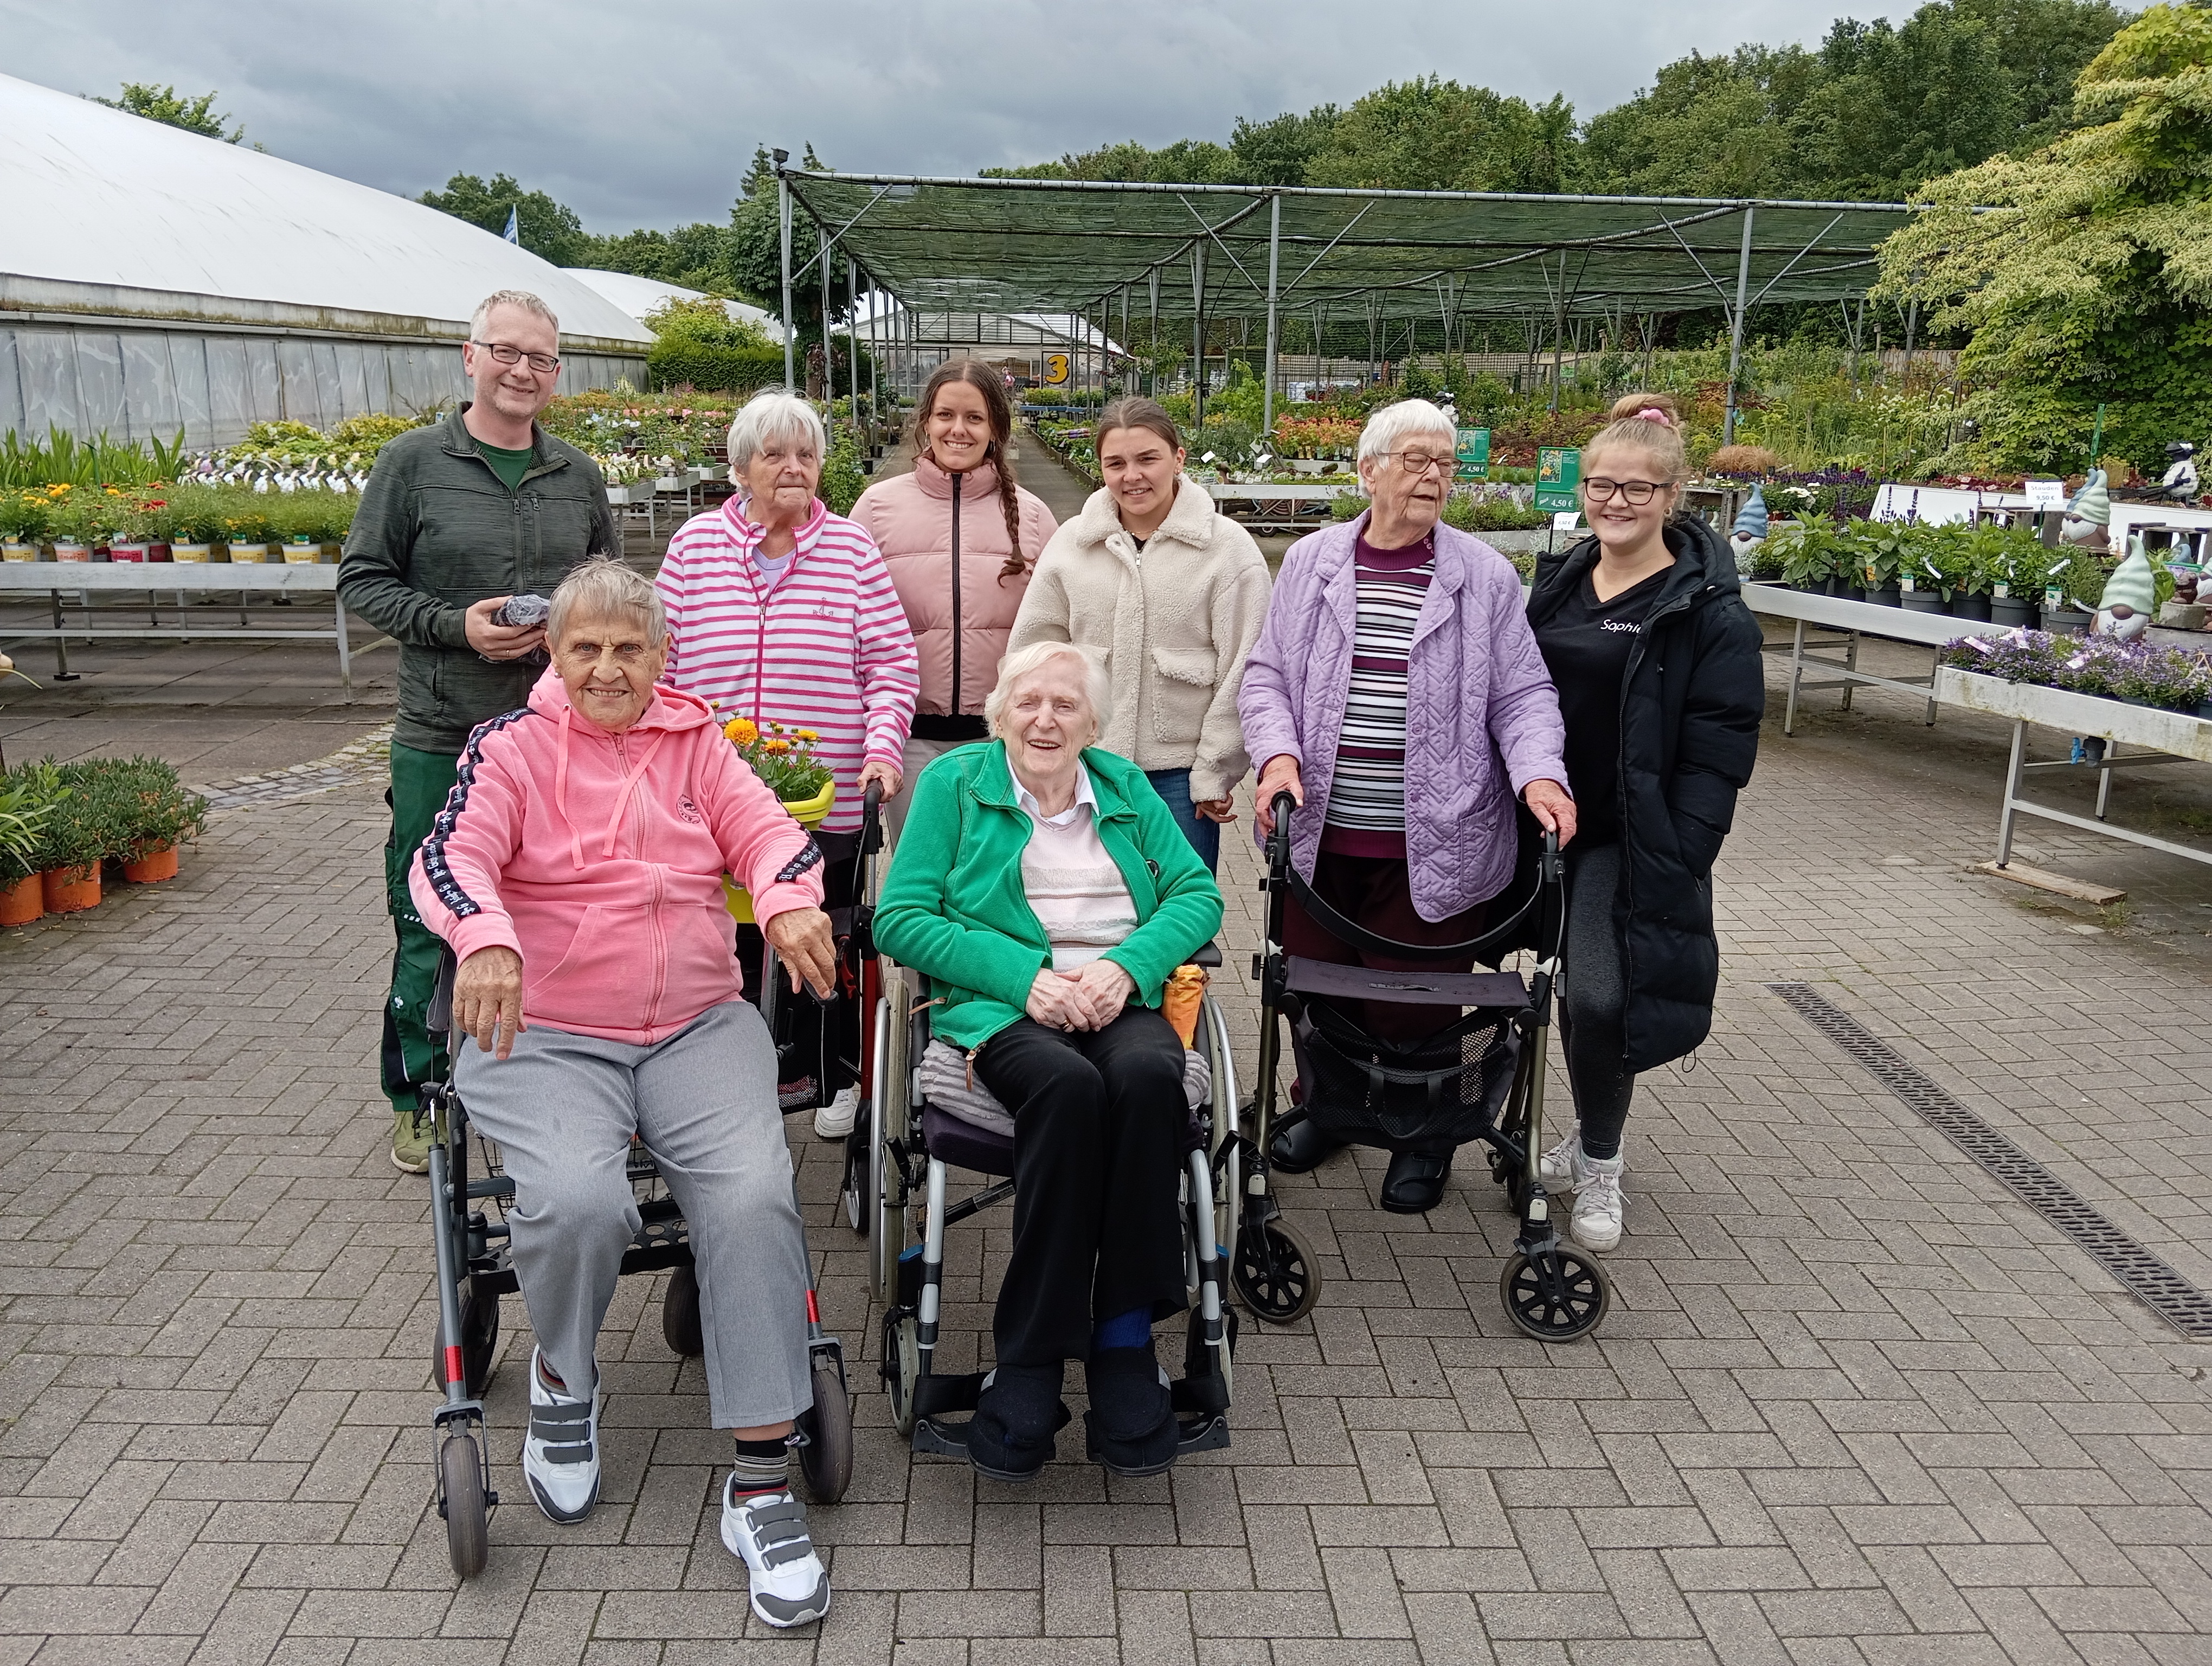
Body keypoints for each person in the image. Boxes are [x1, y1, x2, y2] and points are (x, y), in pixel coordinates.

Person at [408, 560, 836, 1628]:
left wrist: (785, 902)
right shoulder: (505, 750)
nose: (607, 667)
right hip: (544, 1030)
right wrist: (489, 939)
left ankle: (760, 1485)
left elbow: (774, 836)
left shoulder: (700, 746)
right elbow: (446, 857)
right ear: (554, 656)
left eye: (628, 648)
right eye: (585, 647)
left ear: (661, 657)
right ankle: (563, 1377)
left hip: (694, 1022)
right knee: (579, 1199)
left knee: (748, 1198)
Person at [875, 641, 1223, 1483]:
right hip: (1006, 1008)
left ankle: (1122, 1345)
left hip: (1119, 1000)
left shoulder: (1126, 788)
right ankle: (1029, 1360)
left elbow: (1199, 895)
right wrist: (1025, 981)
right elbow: (900, 919)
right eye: (1029, 702)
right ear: (1001, 712)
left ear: (1093, 723)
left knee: (1148, 1081)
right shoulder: (956, 786)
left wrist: (1125, 968)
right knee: (1066, 1090)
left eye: (1066, 705)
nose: (1046, 719)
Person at [1238, 396, 1575, 1215]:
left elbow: (1523, 694)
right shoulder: (1313, 562)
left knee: (1420, 997)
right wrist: (1277, 757)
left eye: (1445, 464)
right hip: (1319, 833)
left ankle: (1423, 1137)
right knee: (1321, 993)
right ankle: (1329, 1110)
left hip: (1439, 834)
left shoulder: (1484, 575)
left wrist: (1540, 775)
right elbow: (1267, 677)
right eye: (1416, 460)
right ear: (1369, 471)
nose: (1434, 476)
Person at [340, 289, 616, 1175]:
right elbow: (363, 580)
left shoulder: (575, 474)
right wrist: (457, 626)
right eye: (507, 352)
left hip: (553, 736)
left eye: (540, 359)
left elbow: (605, 583)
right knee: (428, 915)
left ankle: (539, 1078)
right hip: (443, 731)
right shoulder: (414, 465)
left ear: (556, 373)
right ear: (471, 357)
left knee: (554, 908)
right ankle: (418, 1096)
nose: (523, 371)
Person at [1526, 393, 1763, 1252]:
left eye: (1637, 489)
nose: (1616, 502)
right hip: (1537, 821)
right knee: (1511, 984)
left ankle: (1599, 1162)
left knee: (1599, 996)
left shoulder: (1706, 610)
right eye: (1601, 485)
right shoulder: (1558, 580)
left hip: (1627, 838)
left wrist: (1683, 848)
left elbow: (1720, 744)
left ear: (1674, 496)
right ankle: (1472, 1125)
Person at [654, 390, 919, 1142]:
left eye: (806, 454)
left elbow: (893, 666)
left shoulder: (851, 551)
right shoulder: (696, 547)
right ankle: (727, 1076)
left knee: (822, 933)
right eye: (776, 454)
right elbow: (659, 664)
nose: (795, 468)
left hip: (822, 798)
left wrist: (881, 754)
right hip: (709, 797)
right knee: (720, 940)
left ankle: (833, 1070)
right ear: (740, 468)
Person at [1010, 398, 1269, 872]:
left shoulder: (1228, 551)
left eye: (1148, 459)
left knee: (1177, 917)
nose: (1133, 476)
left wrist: (1216, 771)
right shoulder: (1073, 543)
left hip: (1179, 776)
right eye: (1116, 463)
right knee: (1079, 907)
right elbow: (1032, 652)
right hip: (1084, 766)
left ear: (1179, 458)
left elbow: (1246, 667)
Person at [851, 359, 1057, 841]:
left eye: (975, 418)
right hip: (909, 740)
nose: (958, 430)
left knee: (1000, 878)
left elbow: (1055, 630)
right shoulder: (877, 509)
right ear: (926, 421)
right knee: (920, 876)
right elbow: (849, 625)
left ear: (996, 429)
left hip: (1003, 743)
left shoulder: (1033, 516)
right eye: (946, 415)